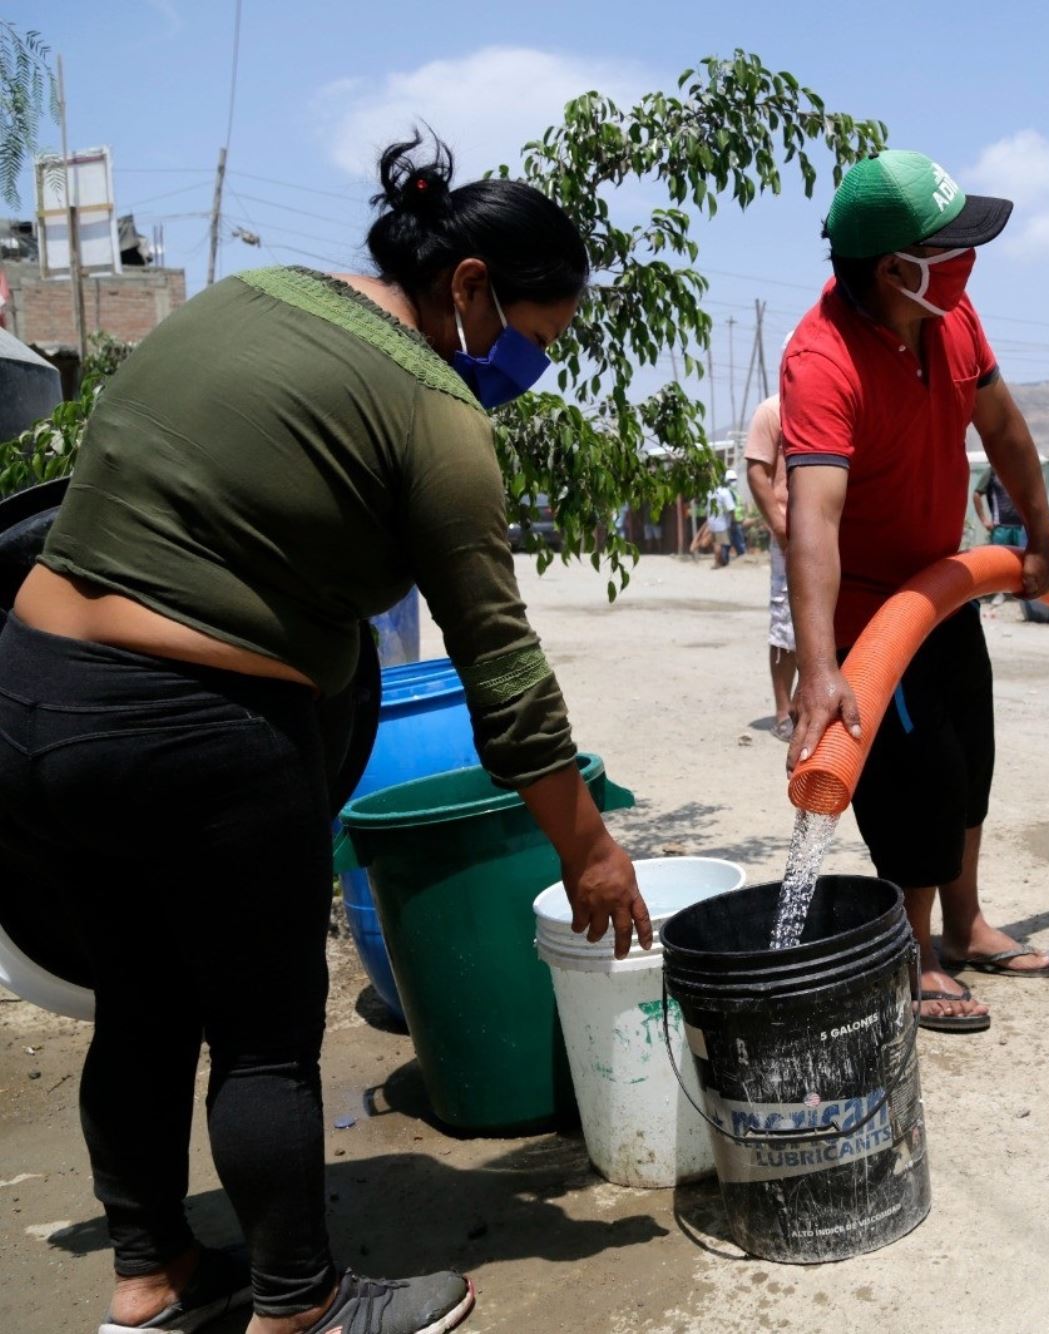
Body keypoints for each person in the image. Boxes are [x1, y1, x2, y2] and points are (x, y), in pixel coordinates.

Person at [0, 134, 651, 1334]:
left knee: (143, 1001)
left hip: (36, 696)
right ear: (469, 290)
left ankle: (148, 1281)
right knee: (263, 1033)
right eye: (533, 338)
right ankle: (300, 1304)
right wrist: (589, 846)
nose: (527, 368)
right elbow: (501, 670)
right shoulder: (433, 408)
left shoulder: (252, 298)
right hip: (198, 728)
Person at [782, 149, 1049, 1035]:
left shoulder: (951, 318)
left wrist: (1041, 531)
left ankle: (967, 921)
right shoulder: (820, 358)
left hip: (947, 592)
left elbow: (1006, 427)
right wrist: (822, 669)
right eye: (947, 249)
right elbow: (814, 520)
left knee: (970, 764)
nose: (965, 263)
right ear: (891, 267)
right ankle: (914, 954)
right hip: (876, 616)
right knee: (915, 782)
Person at [743, 394, 798, 740]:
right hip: (789, 535)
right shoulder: (772, 411)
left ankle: (806, 706)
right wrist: (779, 527)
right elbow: (757, 473)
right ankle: (783, 713)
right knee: (786, 626)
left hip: (830, 533)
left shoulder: (828, 402)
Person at [972, 465, 1026, 549]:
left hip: (1021, 528)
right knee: (1000, 559)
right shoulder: (993, 471)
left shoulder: (1022, 471)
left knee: (1019, 560)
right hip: (1001, 528)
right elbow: (977, 495)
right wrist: (984, 521)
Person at [706, 471, 738, 567]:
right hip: (721, 523)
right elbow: (731, 509)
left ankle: (720, 561)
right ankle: (718, 562)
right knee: (720, 544)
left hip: (712, 521)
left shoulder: (711, 491)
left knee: (716, 542)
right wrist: (734, 520)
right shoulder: (725, 492)